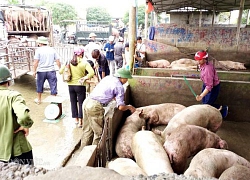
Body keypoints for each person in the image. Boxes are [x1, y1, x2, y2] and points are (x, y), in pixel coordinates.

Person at [82, 68, 136, 146]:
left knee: (87, 130)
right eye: (126, 78)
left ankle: (84, 151)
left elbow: (107, 91)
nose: (126, 81)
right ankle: (95, 154)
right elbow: (121, 107)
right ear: (122, 77)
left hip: (87, 101)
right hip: (95, 106)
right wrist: (129, 107)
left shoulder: (108, 78)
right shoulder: (119, 87)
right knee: (99, 134)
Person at [0, 64, 34, 165]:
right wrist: (25, 125)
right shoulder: (13, 96)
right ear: (9, 81)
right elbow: (24, 117)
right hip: (17, 150)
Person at [59, 47, 94, 127]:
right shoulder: (84, 62)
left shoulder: (68, 62)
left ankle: (76, 120)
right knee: (81, 103)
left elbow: (60, 71)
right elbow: (91, 73)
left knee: (73, 102)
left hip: (70, 86)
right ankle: (81, 122)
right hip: (80, 85)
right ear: (82, 54)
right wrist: (85, 77)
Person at [194, 50, 228, 118]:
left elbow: (209, 86)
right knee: (205, 103)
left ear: (204, 59)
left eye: (199, 60)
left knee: (207, 105)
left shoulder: (207, 69)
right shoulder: (203, 65)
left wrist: (201, 96)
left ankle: (223, 110)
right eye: (197, 59)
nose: (197, 61)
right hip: (206, 85)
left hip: (212, 88)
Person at [33, 36, 61, 105]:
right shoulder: (52, 50)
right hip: (51, 71)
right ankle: (53, 102)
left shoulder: (38, 50)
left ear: (40, 43)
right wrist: (60, 69)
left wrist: (34, 71)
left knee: (40, 85)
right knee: (53, 86)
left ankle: (39, 100)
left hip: (41, 71)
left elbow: (36, 62)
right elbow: (58, 61)